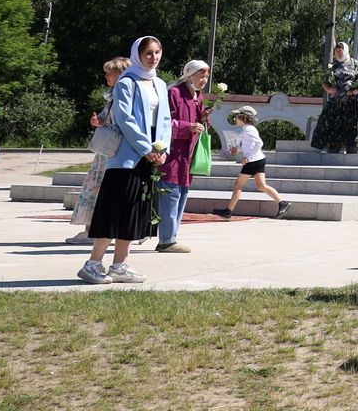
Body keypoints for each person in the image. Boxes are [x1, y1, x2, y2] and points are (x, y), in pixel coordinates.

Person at [79, 37, 173, 284]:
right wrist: (145, 148)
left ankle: (119, 265)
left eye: (157, 52)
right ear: (137, 55)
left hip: (151, 156)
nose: (153, 57)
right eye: (148, 53)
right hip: (126, 157)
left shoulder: (160, 84)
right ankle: (92, 264)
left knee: (133, 212)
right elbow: (124, 118)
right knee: (113, 210)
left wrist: (163, 149)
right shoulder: (127, 82)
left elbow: (165, 120)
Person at [67, 56, 130, 243]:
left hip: (116, 150)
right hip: (107, 151)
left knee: (101, 189)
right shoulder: (111, 96)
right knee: (95, 188)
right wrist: (98, 121)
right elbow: (104, 117)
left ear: (120, 74)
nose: (106, 76)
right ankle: (91, 228)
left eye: (110, 73)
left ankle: (94, 231)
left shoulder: (125, 95)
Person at [156, 60, 211, 254]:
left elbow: (198, 122)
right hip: (172, 154)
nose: (204, 80)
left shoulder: (197, 95)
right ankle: (166, 240)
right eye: (200, 75)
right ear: (189, 75)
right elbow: (164, 122)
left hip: (187, 155)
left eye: (206, 76)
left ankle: (171, 237)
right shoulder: (174, 93)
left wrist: (204, 117)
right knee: (170, 193)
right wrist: (188, 126)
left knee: (182, 194)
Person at [214, 106, 288, 219]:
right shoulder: (248, 129)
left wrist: (247, 157)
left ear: (244, 117)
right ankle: (282, 202)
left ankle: (228, 211)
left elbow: (259, 143)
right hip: (258, 160)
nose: (235, 119)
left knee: (238, 185)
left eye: (237, 116)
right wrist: (237, 149)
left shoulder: (248, 129)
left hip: (253, 161)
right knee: (261, 185)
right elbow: (249, 145)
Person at [313, 42, 358, 154]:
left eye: (341, 49)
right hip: (335, 100)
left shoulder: (354, 63)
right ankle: (326, 146)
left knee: (346, 123)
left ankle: (343, 146)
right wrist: (329, 89)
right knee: (327, 122)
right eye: (337, 50)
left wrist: (352, 90)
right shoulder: (332, 65)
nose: (338, 52)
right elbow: (325, 82)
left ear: (346, 50)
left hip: (349, 100)